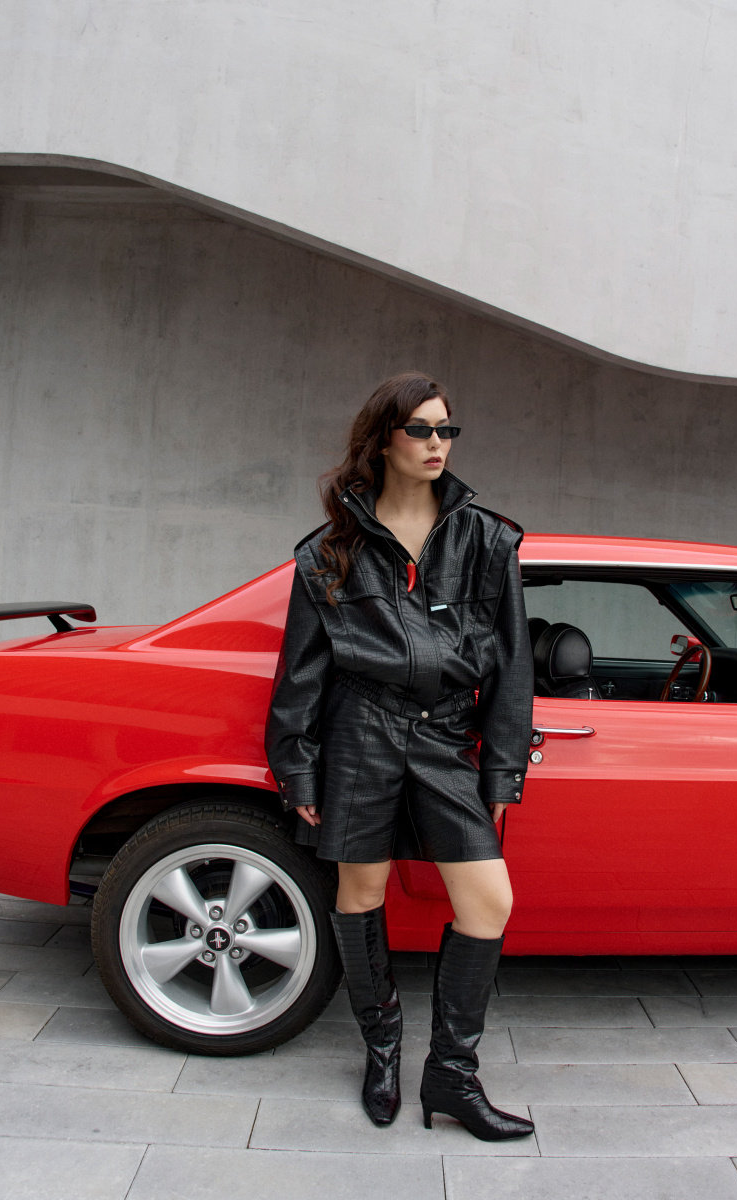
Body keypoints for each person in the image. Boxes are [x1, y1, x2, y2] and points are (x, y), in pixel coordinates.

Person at [265, 371, 534, 1141]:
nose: (436, 443)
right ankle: (382, 1050)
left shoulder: (488, 541)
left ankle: (451, 1075)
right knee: (361, 893)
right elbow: (301, 673)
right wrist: (297, 765)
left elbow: (511, 666)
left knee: (489, 903)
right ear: (383, 439)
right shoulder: (329, 553)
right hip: (361, 733)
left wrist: (502, 767)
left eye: (446, 429)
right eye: (420, 429)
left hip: (446, 736)